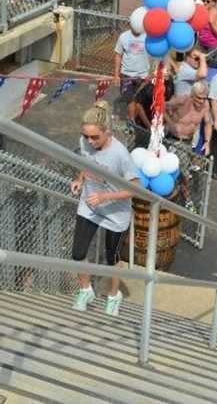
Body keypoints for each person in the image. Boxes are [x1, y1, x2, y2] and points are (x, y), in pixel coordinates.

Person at [70, 102, 140, 316]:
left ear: (107, 132)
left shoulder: (120, 154)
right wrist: (80, 179)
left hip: (115, 211)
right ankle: (85, 290)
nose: (89, 142)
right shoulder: (84, 141)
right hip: (90, 204)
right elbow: (87, 162)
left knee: (112, 258)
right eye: (86, 137)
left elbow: (136, 187)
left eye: (95, 138)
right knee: (78, 253)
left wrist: (105, 196)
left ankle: (113, 295)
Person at [165, 81, 212, 210]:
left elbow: (208, 123)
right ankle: (183, 199)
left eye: (204, 98)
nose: (201, 101)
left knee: (183, 173)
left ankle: (183, 199)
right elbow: (162, 106)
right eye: (199, 98)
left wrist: (207, 142)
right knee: (178, 172)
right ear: (192, 95)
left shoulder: (206, 106)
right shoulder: (182, 101)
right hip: (172, 139)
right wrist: (169, 121)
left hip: (187, 143)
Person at [113, 25, 150, 119]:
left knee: (139, 102)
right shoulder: (123, 37)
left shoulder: (148, 37)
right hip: (126, 75)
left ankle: (136, 121)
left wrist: (151, 72)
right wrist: (116, 75)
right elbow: (118, 55)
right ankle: (132, 123)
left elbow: (156, 54)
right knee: (130, 99)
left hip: (143, 76)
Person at [130, 74, 175, 148]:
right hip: (143, 121)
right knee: (142, 145)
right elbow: (138, 107)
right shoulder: (150, 89)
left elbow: (169, 100)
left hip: (156, 120)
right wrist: (149, 127)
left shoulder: (169, 87)